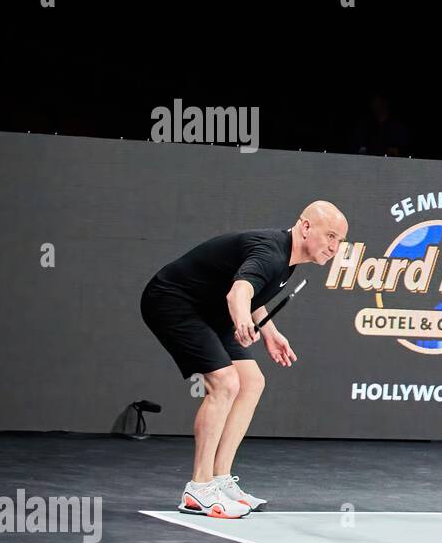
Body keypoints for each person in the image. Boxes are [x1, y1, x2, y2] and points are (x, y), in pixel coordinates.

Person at [140, 201, 348, 517]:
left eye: (339, 241)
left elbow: (253, 293)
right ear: (305, 227)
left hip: (207, 309)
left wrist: (269, 332)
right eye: (330, 236)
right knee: (225, 383)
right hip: (172, 300)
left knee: (252, 382)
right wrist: (241, 322)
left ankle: (220, 479)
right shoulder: (272, 252)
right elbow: (238, 293)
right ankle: (199, 489)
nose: (334, 247)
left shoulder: (287, 258)